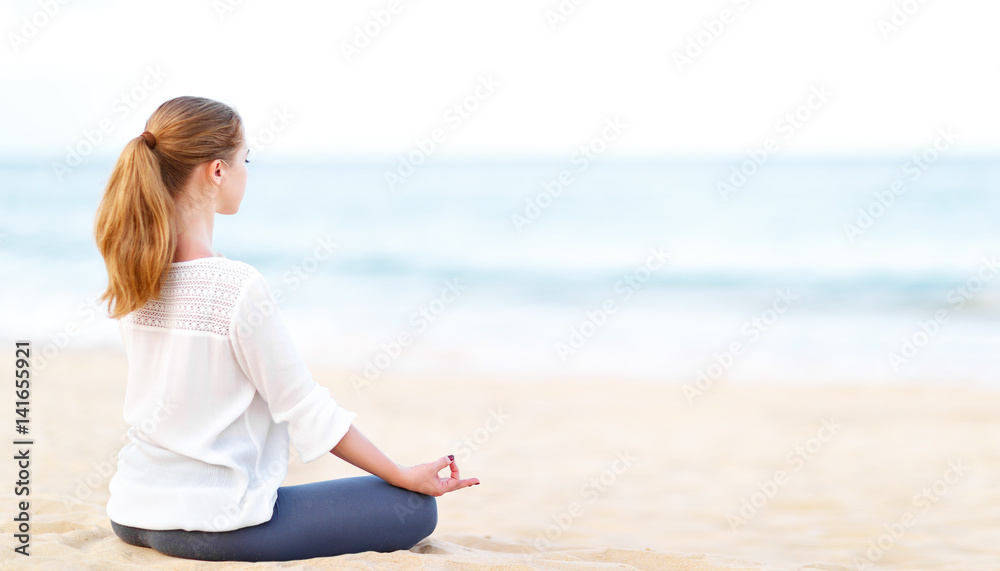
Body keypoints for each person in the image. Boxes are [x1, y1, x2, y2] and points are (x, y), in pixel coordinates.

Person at [93, 95, 479, 562]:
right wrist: (401, 475)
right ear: (217, 171)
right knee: (414, 510)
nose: (246, 172)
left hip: (132, 512)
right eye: (244, 160)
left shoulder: (136, 275)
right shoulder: (236, 286)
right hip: (214, 526)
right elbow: (304, 407)